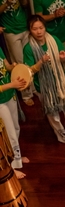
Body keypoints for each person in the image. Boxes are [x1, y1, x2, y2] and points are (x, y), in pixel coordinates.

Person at [23, 15, 65, 145]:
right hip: (44, 87)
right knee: (53, 114)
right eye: (35, 29)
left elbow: (62, 58)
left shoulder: (54, 39)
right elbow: (29, 71)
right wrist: (41, 61)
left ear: (45, 27)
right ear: (30, 30)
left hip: (60, 82)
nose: (39, 31)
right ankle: (63, 137)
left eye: (41, 28)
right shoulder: (28, 48)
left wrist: (62, 57)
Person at [0, 0, 33, 105]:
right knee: (19, 62)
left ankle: (34, 88)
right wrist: (7, 2)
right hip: (10, 30)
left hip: (25, 26)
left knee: (30, 59)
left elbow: (25, 5)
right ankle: (26, 94)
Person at [0, 47, 28, 178]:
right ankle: (11, 167)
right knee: (8, 134)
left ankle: (17, 157)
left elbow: (6, 65)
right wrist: (12, 85)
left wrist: (13, 67)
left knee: (16, 128)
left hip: (10, 95)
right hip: (0, 102)